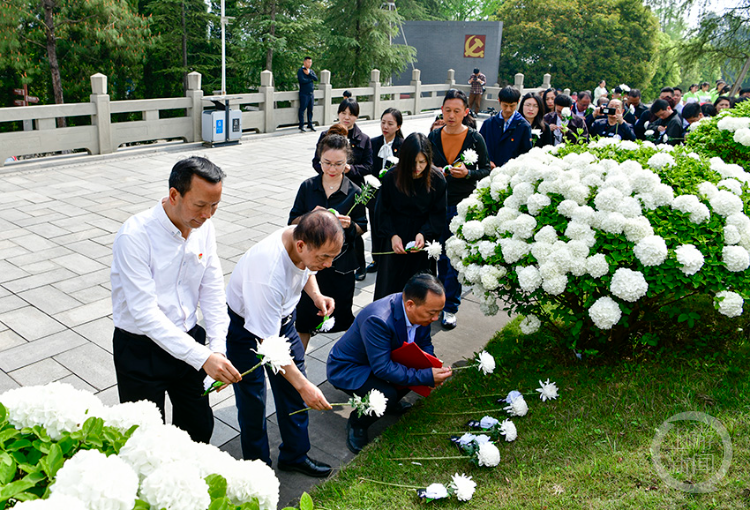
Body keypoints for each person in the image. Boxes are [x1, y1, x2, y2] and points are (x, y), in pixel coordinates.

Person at [111, 157, 241, 443]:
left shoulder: (203, 226)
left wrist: (217, 350)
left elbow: (212, 289)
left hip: (188, 339)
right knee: (143, 440)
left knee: (198, 428)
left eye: (215, 206)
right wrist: (204, 357)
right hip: (140, 348)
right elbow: (145, 314)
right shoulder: (134, 236)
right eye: (200, 205)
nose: (208, 215)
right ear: (174, 195)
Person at [225, 210, 339, 477]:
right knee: (253, 399)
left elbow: (306, 268)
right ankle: (258, 468)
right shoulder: (268, 272)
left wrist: (316, 295)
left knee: (292, 391)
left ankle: (294, 455)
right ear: (301, 245)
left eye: (333, 256)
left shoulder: (300, 237)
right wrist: (305, 386)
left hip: (283, 319)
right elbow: (269, 345)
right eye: (324, 257)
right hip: (247, 331)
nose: (329, 265)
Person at [327, 273, 453, 453]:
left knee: (416, 372)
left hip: (382, 361)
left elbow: (424, 344)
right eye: (432, 313)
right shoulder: (378, 319)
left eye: (439, 312)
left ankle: (389, 403)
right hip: (349, 367)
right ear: (410, 305)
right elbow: (383, 368)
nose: (435, 318)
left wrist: (430, 365)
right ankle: (358, 422)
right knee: (387, 394)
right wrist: (425, 375)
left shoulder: (419, 312)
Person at [289, 134, 367, 350]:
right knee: (303, 320)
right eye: (327, 163)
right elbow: (291, 221)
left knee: (341, 319)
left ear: (347, 163)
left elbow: (363, 226)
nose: (332, 169)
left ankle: (344, 365)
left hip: (339, 266)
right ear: (319, 160)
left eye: (339, 164)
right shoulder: (308, 187)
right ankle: (297, 370)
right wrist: (308, 218)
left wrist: (350, 225)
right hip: (309, 268)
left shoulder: (354, 191)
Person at [428, 89, 490, 329]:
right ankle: (436, 300)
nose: (451, 115)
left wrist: (468, 174)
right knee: (436, 253)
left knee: (453, 256)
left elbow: (486, 169)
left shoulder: (475, 138)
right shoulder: (433, 136)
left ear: (466, 112)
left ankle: (450, 306)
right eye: (447, 110)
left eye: (456, 111)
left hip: (462, 204)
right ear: (441, 110)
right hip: (435, 203)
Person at [374, 133, 446, 301]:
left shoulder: (437, 179)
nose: (417, 167)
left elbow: (438, 213)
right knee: (390, 287)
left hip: (421, 238)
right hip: (396, 236)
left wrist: (424, 233)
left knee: (419, 289)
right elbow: (382, 211)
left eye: (422, 162)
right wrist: (392, 235)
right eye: (413, 162)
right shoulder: (392, 177)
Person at [312, 97, 373, 282]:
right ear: (338, 113)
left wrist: (350, 169)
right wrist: (329, 171)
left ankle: (359, 265)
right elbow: (316, 161)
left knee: (352, 228)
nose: (346, 117)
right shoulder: (326, 135)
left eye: (351, 114)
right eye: (343, 113)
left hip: (350, 189)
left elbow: (369, 166)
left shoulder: (363, 139)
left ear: (356, 116)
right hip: (328, 187)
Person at [368, 108, 405, 274]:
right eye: (383, 122)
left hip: (394, 195)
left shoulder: (403, 146)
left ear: (398, 126)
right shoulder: (373, 142)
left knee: (390, 228)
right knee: (375, 228)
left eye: (390, 124)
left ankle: (388, 258)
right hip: (375, 194)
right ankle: (376, 259)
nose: (385, 127)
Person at [479, 86, 533, 168]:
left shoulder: (523, 126)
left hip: (511, 172)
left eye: (512, 106)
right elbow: (480, 146)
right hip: (489, 169)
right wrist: (488, 161)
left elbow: (526, 152)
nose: (508, 109)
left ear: (518, 102)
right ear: (499, 101)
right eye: (505, 105)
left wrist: (512, 164)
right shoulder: (488, 124)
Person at [297, 57, 318, 133]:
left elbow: (316, 78)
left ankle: (310, 124)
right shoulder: (301, 71)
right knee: (302, 109)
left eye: (311, 62)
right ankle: (301, 125)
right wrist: (310, 79)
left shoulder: (310, 71)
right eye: (308, 62)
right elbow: (302, 80)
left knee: (310, 110)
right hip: (304, 93)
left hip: (311, 94)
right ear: (304, 62)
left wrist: (309, 74)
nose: (310, 64)